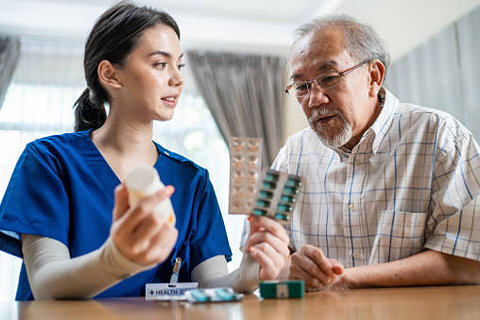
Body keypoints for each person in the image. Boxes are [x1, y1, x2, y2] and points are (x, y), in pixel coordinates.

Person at [0, 2, 289, 300]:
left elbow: (209, 285)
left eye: (179, 65)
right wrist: (116, 260)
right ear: (111, 75)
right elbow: (47, 285)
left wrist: (246, 275)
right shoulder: (49, 161)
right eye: (160, 64)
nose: (177, 79)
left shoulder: (193, 181)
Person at [275, 15, 480, 290]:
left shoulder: (439, 136)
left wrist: (345, 278)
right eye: (302, 86)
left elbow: (469, 260)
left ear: (374, 76)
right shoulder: (292, 155)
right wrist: (286, 266)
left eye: (329, 78)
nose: (314, 99)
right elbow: (261, 254)